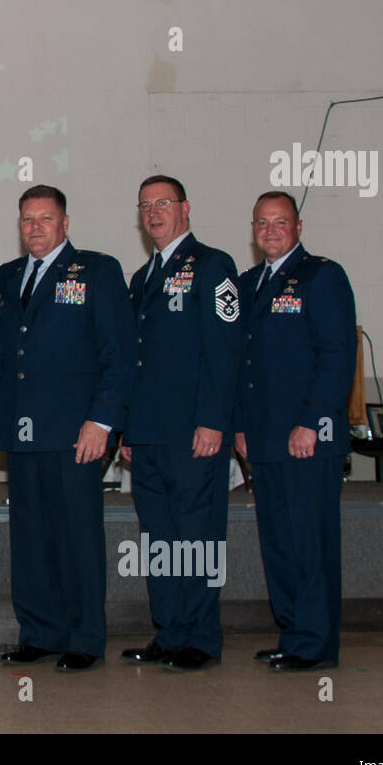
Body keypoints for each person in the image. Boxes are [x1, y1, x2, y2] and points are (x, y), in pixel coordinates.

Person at [0, 185, 134, 672]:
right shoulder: (4, 278)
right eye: (27, 219)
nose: (35, 227)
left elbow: (119, 355)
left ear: (65, 223)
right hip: (22, 430)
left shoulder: (98, 270)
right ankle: (40, 631)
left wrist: (102, 421)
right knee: (30, 537)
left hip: (78, 433)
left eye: (45, 219)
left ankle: (85, 636)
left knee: (77, 535)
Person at [120, 176, 240, 672]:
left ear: (185, 208)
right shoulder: (141, 278)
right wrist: (126, 428)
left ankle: (199, 637)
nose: (154, 213)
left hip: (194, 433)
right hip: (147, 435)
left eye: (163, 203)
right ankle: (169, 632)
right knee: (160, 540)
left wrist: (214, 421)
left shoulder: (214, 267)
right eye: (146, 205)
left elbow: (225, 351)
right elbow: (134, 361)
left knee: (197, 536)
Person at [234, 190, 356, 671]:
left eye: (279, 222)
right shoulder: (246, 285)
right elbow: (241, 366)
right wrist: (239, 426)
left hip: (307, 436)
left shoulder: (321, 275)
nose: (270, 231)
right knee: (279, 542)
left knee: (310, 540)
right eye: (262, 223)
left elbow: (337, 355)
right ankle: (293, 631)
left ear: (298, 227)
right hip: (263, 438)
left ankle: (316, 643)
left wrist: (313, 421)